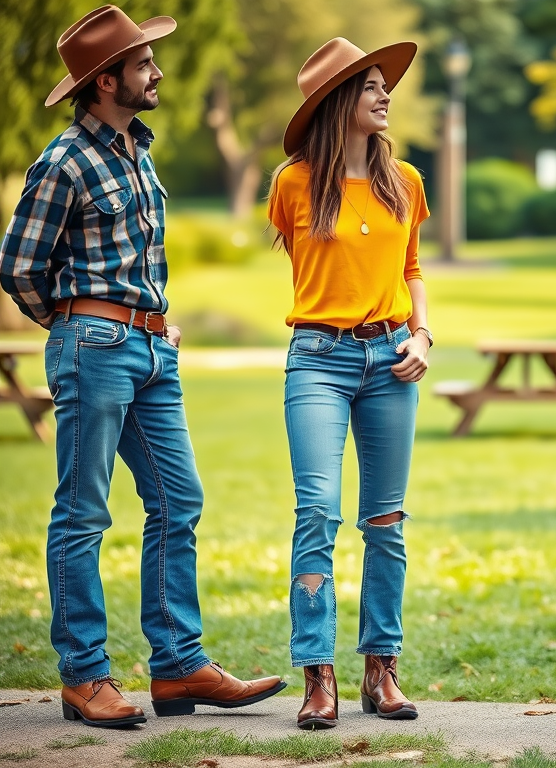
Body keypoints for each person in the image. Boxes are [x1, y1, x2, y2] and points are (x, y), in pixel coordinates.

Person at [0, 5, 286, 728]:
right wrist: (80, 323)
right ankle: (84, 676)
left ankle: (177, 667)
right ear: (106, 80)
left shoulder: (137, 150)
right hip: (95, 349)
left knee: (178, 500)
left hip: (154, 350)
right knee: (83, 511)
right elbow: (18, 265)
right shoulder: (65, 159)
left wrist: (149, 322)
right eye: (143, 64)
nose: (156, 72)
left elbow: (136, 259)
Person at [267, 37, 431, 729]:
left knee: (386, 522)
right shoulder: (293, 184)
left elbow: (413, 269)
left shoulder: (408, 182)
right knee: (317, 512)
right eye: (369, 85)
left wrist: (422, 334)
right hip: (318, 360)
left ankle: (380, 671)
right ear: (339, 101)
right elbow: (305, 264)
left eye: (382, 84)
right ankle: (319, 678)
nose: (385, 94)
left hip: (393, 360)